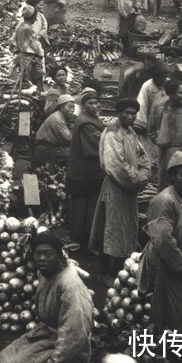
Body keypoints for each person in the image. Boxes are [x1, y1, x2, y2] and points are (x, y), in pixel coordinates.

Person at [0, 231, 94, 363]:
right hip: (46, 334)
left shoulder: (70, 285)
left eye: (48, 254)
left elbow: (74, 335)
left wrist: (54, 360)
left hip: (70, 348)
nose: (42, 258)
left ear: (58, 255)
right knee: (4, 358)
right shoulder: (44, 274)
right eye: (38, 254)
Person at [137, 151, 182, 334]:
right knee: (174, 309)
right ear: (173, 176)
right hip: (166, 261)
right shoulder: (163, 201)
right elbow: (163, 241)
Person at [89, 98, 150, 284]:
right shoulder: (112, 134)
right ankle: (106, 270)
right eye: (127, 113)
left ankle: (121, 266)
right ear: (119, 113)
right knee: (112, 228)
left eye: (134, 113)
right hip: (116, 187)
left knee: (127, 227)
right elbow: (116, 166)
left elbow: (143, 157)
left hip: (130, 190)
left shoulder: (130, 132)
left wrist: (144, 173)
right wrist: (138, 179)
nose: (131, 117)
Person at [66, 88, 105, 250]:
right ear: (84, 105)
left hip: (84, 171)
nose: (95, 106)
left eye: (96, 102)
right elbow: (96, 146)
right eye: (90, 103)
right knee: (83, 204)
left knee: (85, 203)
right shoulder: (86, 123)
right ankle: (81, 239)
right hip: (84, 171)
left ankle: (82, 237)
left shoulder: (89, 118)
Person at [149, 79, 182, 192]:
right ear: (171, 94)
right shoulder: (159, 107)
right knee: (167, 184)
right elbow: (152, 129)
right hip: (166, 153)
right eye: (180, 93)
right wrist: (159, 140)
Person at [34, 94, 76, 166]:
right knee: (76, 153)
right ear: (62, 107)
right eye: (70, 107)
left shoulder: (62, 115)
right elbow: (69, 139)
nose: (72, 110)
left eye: (73, 107)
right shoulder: (57, 118)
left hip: (49, 147)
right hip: (44, 150)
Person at [12, 5, 45, 90]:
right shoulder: (28, 29)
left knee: (27, 80)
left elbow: (13, 41)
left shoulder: (20, 27)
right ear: (33, 17)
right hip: (31, 58)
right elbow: (35, 45)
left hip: (23, 57)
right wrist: (40, 54)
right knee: (36, 80)